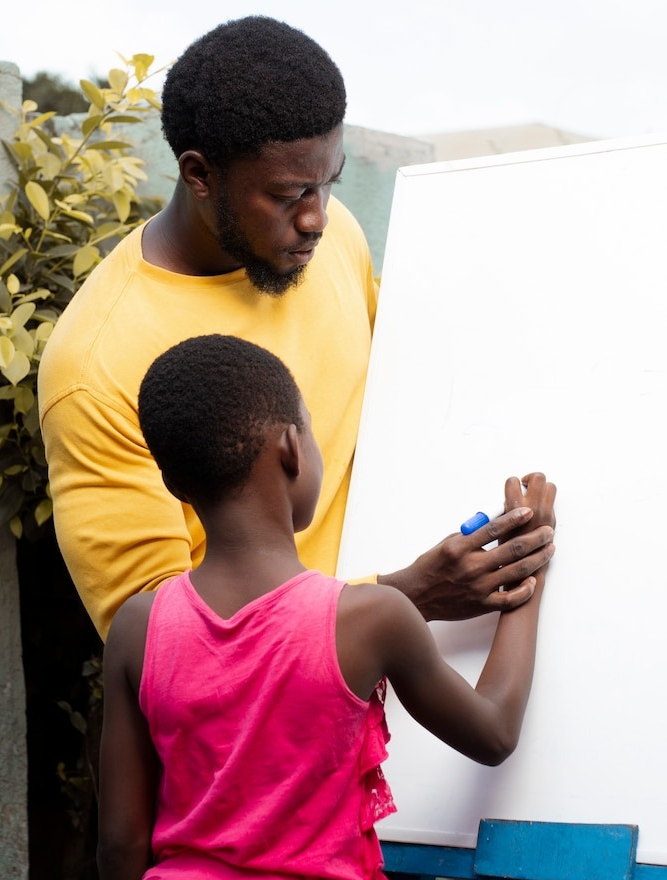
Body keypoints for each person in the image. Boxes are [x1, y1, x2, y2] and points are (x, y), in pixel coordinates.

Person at [38, 15, 555, 640]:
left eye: (328, 183)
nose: (317, 218)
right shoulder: (94, 368)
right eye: (289, 195)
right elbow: (169, 647)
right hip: (310, 686)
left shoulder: (332, 241)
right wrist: (405, 597)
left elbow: (402, 403)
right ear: (200, 175)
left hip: (431, 644)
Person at [96, 334, 556, 880]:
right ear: (293, 447)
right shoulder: (370, 618)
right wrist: (528, 568)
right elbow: (492, 733)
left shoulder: (138, 628)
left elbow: (121, 841)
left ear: (176, 485)